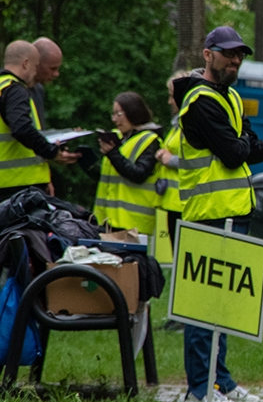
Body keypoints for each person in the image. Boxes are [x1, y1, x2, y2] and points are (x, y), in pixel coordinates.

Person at [172, 26, 263, 402]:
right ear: (207, 54)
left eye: (240, 55)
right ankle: (199, 391)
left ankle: (222, 383)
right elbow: (234, 154)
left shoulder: (230, 97)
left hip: (233, 212)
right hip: (210, 214)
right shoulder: (200, 100)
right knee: (203, 305)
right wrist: (244, 145)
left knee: (225, 305)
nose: (235, 60)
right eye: (228, 53)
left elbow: (248, 147)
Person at [0, 41, 80, 202]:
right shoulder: (15, 89)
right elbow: (22, 128)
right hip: (18, 184)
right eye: (36, 66)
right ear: (26, 64)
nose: (36, 71)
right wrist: (51, 152)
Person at [93, 92, 161, 234]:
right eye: (113, 114)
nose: (114, 119)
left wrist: (113, 153)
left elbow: (139, 174)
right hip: (110, 221)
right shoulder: (121, 139)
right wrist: (86, 162)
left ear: (133, 112)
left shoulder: (150, 140)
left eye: (119, 114)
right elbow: (110, 178)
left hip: (135, 224)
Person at [155, 70, 191, 248]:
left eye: (172, 96)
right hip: (172, 202)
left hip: (184, 204)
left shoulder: (191, 124)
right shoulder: (177, 124)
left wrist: (170, 160)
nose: (169, 101)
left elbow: (199, 160)